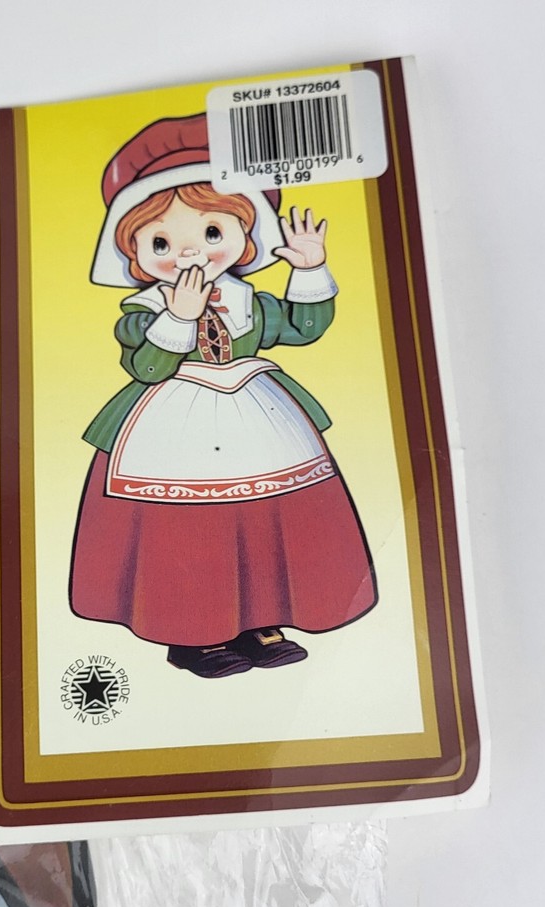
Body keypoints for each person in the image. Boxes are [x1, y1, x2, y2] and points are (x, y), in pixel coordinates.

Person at [70, 113, 377, 679]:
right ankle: (194, 633)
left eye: (212, 234)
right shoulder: (143, 313)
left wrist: (311, 268)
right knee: (184, 528)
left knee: (266, 516)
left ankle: (259, 619)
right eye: (162, 241)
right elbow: (146, 366)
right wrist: (179, 318)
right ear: (135, 254)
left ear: (244, 236)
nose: (190, 254)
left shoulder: (248, 303)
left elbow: (303, 328)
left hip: (257, 419)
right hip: (170, 426)